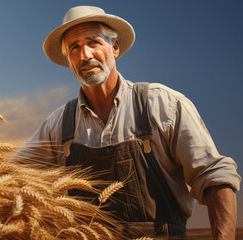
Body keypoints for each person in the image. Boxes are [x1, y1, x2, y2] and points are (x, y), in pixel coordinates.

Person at [15, 5, 241, 239]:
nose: (85, 55)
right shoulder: (58, 125)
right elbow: (10, 179)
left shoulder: (163, 105)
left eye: (93, 42)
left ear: (114, 48)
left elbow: (216, 178)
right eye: (75, 48)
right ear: (68, 61)